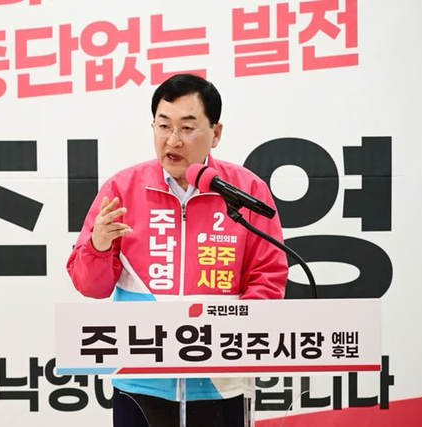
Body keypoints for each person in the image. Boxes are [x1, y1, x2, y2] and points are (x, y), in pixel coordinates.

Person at [66, 73, 288, 427]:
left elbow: (268, 277)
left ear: (215, 133)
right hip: (141, 379)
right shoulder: (122, 189)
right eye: (163, 125)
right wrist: (99, 245)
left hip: (220, 382)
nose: (172, 140)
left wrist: (227, 337)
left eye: (187, 127)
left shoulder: (246, 191)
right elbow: (90, 286)